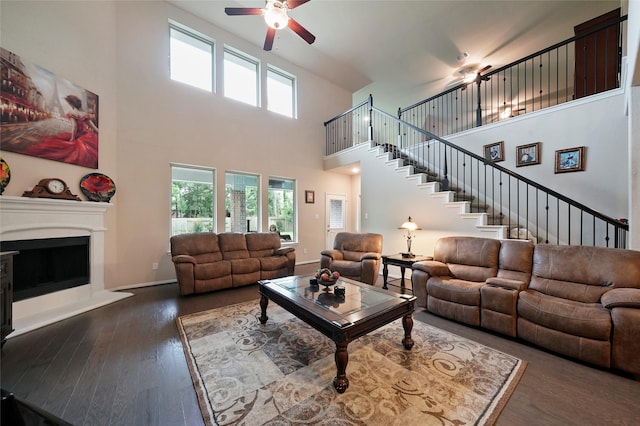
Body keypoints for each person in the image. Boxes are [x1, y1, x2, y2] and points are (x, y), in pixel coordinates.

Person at [23, 94, 99, 168]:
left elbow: (75, 126)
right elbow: (94, 127)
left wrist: (72, 138)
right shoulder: (84, 114)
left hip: (77, 135)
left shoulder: (72, 113)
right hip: (85, 135)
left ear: (71, 104)